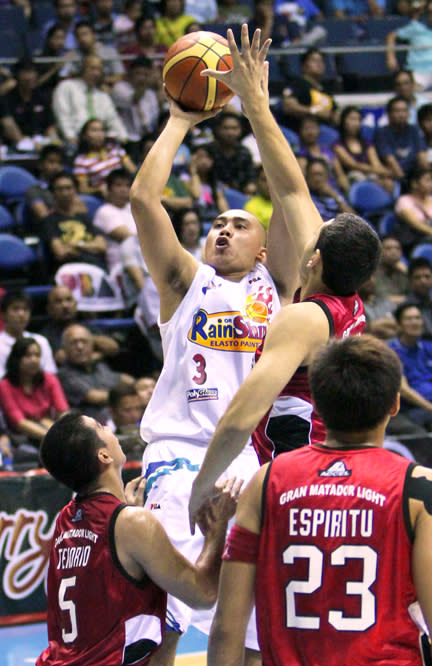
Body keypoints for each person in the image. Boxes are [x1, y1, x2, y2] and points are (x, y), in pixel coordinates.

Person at [129, 24, 375, 666]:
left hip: (254, 457)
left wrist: (255, 109)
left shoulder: (287, 291)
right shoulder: (187, 282)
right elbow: (142, 199)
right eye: (215, 221)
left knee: (251, 619)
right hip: (185, 453)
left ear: (270, 251)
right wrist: (183, 117)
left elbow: (291, 192)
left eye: (238, 223)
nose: (221, 228)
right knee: (169, 614)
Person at [189, 26, 379, 526]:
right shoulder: (347, 297)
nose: (305, 230)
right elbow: (293, 192)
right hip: (327, 468)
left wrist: (201, 486)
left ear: (313, 259)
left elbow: (241, 415)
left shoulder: (303, 318)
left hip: (295, 475)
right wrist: (256, 104)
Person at [207, 334, 432, 666]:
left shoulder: (267, 481)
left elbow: (228, 626)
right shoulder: (418, 487)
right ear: (395, 405)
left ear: (318, 403)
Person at [36, 411, 241, 666]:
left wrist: (124, 509)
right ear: (104, 456)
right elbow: (204, 595)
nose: (110, 428)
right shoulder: (132, 524)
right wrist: (217, 529)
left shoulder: (65, 519)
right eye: (101, 426)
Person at [58, 323, 134, 423]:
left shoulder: (100, 366)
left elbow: (126, 380)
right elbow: (94, 397)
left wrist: (139, 387)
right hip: (91, 428)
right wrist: (130, 395)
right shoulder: (64, 374)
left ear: (92, 345)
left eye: (84, 342)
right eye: (73, 343)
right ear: (64, 349)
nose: (80, 347)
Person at [0, 337, 68, 447]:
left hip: (49, 428)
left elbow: (63, 411)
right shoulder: (5, 385)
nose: (34, 360)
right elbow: (19, 423)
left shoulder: (49, 378)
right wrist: (52, 436)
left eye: (37, 355)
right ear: (16, 359)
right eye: (28, 356)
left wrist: (63, 431)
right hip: (20, 438)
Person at [52, 55, 129, 149]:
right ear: (83, 69)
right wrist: (70, 137)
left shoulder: (103, 96)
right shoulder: (66, 87)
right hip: (74, 142)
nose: (96, 73)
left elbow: (113, 119)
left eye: (99, 70)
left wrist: (123, 137)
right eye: (92, 68)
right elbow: (62, 115)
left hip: (100, 143)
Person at [41, 171, 107, 276]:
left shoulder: (84, 218)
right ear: (53, 193)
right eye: (60, 189)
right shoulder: (49, 221)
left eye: (68, 188)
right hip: (69, 272)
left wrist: (77, 245)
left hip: (96, 268)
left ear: (75, 190)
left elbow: (102, 246)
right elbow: (60, 252)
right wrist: (90, 248)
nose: (65, 193)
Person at [40, 285, 120, 364]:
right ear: (49, 309)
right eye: (58, 301)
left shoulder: (86, 326)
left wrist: (86, 338)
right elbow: (61, 358)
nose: (65, 305)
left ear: (75, 305)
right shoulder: (46, 335)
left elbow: (113, 348)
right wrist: (94, 353)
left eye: (69, 300)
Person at [388, 302, 432, 440]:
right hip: (409, 410)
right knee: (421, 437)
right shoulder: (392, 352)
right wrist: (430, 407)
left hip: (428, 407)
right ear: (399, 324)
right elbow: (404, 390)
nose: (415, 322)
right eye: (409, 319)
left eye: (418, 318)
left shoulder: (428, 347)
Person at [274, 47, 339, 134]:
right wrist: (314, 111)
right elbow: (288, 106)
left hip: (323, 131)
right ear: (304, 65)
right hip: (299, 131)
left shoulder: (325, 89)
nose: (319, 64)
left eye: (321, 61)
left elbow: (335, 111)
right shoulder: (298, 84)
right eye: (314, 61)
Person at [72, 119, 136, 199]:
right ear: (85, 135)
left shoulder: (116, 150)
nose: (99, 134)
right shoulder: (81, 161)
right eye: (94, 130)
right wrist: (98, 190)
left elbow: (133, 171)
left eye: (102, 130)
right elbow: (83, 189)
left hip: (126, 189)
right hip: (104, 196)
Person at [0, 290, 56, 379]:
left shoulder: (41, 341)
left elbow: (50, 376)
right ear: (3, 314)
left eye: (25, 309)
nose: (21, 314)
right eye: (15, 309)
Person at [374, 96, 428, 183]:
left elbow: (422, 156)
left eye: (404, 111)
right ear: (389, 114)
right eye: (397, 111)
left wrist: (427, 177)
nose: (401, 115)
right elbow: (390, 161)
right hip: (394, 175)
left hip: (414, 174)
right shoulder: (382, 133)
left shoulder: (414, 130)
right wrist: (407, 184)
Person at [333, 105, 391, 185]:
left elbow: (376, 163)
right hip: (352, 177)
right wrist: (375, 170)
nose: (356, 123)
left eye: (358, 120)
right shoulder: (338, 145)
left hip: (371, 174)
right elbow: (352, 165)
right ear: (343, 121)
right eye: (352, 119)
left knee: (386, 181)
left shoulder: (366, 143)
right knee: (358, 177)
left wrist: (383, 172)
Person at [93, 168, 137, 271]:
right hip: (121, 267)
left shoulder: (134, 208)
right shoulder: (105, 211)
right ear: (108, 189)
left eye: (127, 185)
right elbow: (127, 238)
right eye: (118, 185)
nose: (124, 190)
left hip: (143, 260)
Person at [386, 0, 432, 91]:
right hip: (419, 71)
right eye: (430, 12)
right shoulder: (416, 27)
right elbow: (391, 36)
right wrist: (390, 57)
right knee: (411, 90)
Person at [394, 166, 432, 255]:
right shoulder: (404, 201)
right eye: (428, 180)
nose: (431, 184)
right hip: (414, 241)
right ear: (414, 183)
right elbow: (415, 224)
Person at [406, 257, 432, 338]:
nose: (423, 281)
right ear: (410, 281)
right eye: (417, 277)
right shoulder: (406, 307)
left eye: (427, 276)